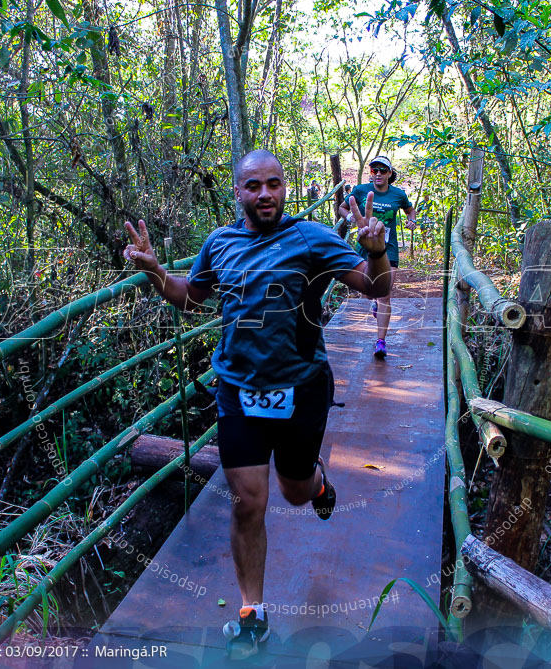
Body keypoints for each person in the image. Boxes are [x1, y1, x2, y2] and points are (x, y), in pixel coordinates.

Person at [122, 149, 391, 659]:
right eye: (253, 186)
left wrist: (375, 251)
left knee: (292, 492)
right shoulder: (219, 243)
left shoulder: (312, 238)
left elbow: (375, 287)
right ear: (238, 192)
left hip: (302, 387)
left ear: (285, 187)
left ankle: (317, 481)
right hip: (237, 390)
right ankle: (253, 615)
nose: (264, 193)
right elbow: (192, 297)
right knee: (248, 502)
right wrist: (156, 270)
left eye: (273, 183)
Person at [337, 155, 417, 359]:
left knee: (385, 293)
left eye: (383, 170)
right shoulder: (361, 191)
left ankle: (381, 341)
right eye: (374, 170)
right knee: (368, 291)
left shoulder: (398, 195)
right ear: (371, 173)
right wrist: (351, 218)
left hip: (387, 248)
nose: (378, 174)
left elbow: (410, 210)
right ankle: (374, 301)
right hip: (365, 246)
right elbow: (342, 208)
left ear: (390, 174)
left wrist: (411, 221)